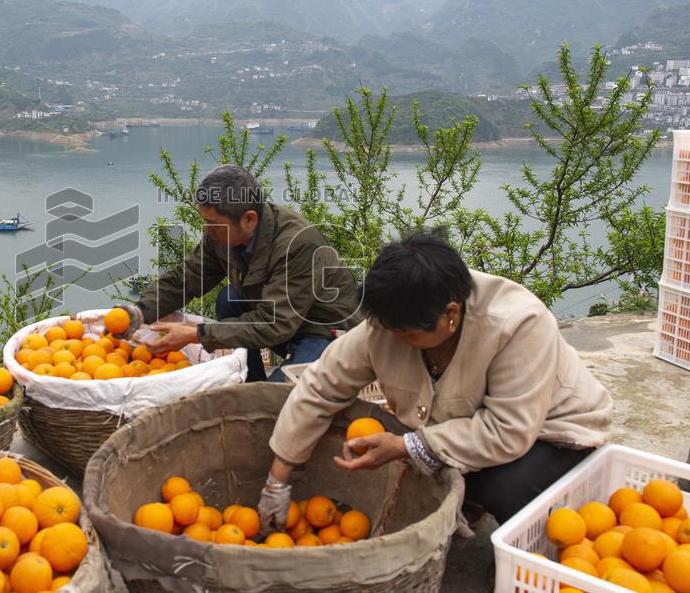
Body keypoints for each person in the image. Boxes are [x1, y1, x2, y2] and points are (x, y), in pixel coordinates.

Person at [257, 230, 613, 530]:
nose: (396, 341)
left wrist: (404, 446)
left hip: (553, 432)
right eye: (388, 330)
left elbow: (508, 430)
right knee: (429, 466)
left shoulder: (516, 325)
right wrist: (278, 478)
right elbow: (321, 385)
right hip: (466, 427)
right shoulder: (391, 320)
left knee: (502, 486)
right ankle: (467, 492)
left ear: (451, 315)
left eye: (408, 335)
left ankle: (527, 542)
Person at [125, 164, 360, 382]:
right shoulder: (221, 235)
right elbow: (184, 279)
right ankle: (252, 381)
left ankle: (267, 389)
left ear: (249, 219)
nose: (207, 230)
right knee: (229, 299)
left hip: (323, 329)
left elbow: (274, 323)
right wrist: (138, 313)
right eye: (205, 221)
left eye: (213, 223)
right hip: (282, 321)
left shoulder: (297, 245)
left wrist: (197, 334)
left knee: (278, 399)